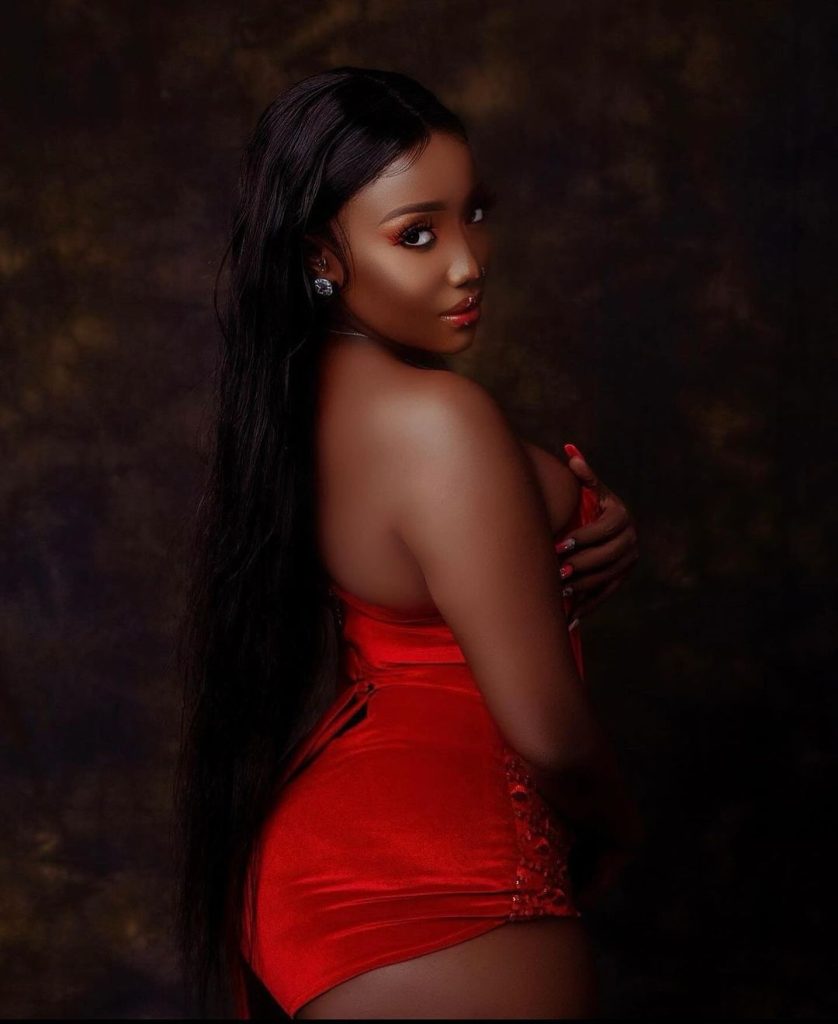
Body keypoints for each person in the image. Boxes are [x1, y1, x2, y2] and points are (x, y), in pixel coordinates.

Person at [174, 66, 644, 1021]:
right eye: (417, 234)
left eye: (475, 215)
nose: (468, 262)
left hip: (337, 856)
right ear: (323, 254)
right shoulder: (435, 419)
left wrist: (591, 514)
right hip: (430, 875)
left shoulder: (307, 404)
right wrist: (618, 826)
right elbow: (550, 734)